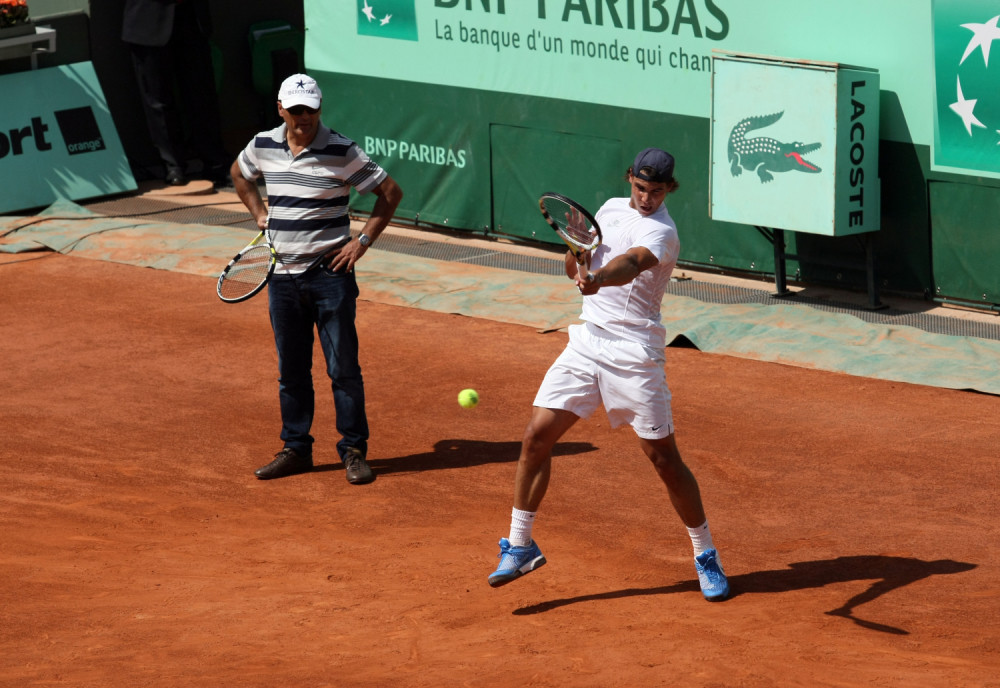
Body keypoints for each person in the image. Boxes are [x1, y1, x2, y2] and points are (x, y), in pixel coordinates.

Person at [487, 148, 729, 601]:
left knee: (663, 459)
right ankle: (520, 545)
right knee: (536, 436)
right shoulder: (610, 210)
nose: (647, 198)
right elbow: (575, 265)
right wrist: (577, 254)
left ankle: (705, 554)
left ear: (668, 190)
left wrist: (597, 278)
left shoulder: (663, 232)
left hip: (634, 353)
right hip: (586, 340)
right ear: (629, 180)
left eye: (657, 191)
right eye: (641, 188)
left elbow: (632, 264)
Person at [230, 73, 403, 485]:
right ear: (281, 110)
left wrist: (361, 242)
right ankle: (296, 448)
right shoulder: (262, 144)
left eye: (310, 109)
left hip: (330, 276)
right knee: (291, 370)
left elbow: (391, 193)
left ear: (319, 108)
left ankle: (354, 450)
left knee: (342, 367)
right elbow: (239, 174)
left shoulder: (342, 150)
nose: (303, 117)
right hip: (282, 277)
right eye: (295, 110)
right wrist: (258, 213)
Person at [122, 0, 230, 186]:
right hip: (148, 20)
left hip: (191, 17)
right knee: (157, 99)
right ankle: (173, 165)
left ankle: (215, 163)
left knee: (201, 95)